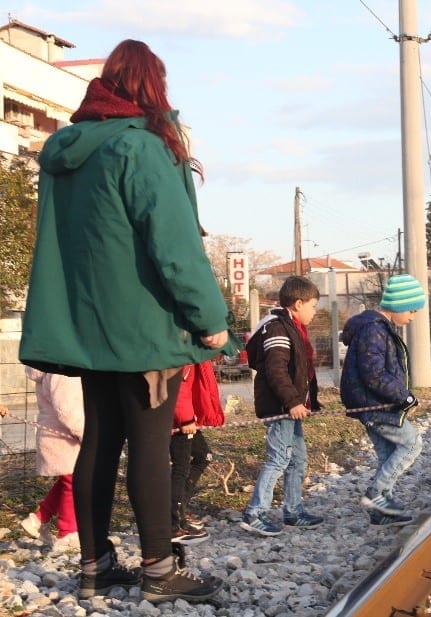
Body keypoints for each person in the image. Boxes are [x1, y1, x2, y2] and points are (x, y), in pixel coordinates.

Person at [18, 40, 230, 603]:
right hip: (145, 329)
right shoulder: (139, 148)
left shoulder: (66, 154)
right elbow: (175, 245)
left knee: (100, 443)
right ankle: (160, 570)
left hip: (88, 330)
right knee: (150, 445)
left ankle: (96, 566)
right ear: (151, 87)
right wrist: (210, 320)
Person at [240, 276, 325, 536]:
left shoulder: (293, 327)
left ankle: (293, 510)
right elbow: (276, 369)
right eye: (312, 305)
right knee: (279, 458)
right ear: (298, 303)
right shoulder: (278, 328)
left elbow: (299, 370)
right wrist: (293, 401)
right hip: (281, 408)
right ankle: (255, 513)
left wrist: (306, 400)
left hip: (290, 408)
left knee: (297, 459)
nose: (314, 311)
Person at [340, 273, 426, 527]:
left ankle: (381, 511)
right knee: (412, 444)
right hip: (376, 404)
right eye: (411, 310)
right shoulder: (374, 330)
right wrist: (403, 395)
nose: (412, 317)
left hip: (373, 403)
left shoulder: (378, 328)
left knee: (388, 453)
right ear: (398, 305)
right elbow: (374, 372)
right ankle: (376, 494)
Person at [20, 368, 84, 551]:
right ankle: (67, 533)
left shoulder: (50, 369)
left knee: (67, 480)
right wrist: (85, 431)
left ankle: (39, 518)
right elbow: (67, 409)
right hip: (64, 436)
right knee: (73, 483)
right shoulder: (63, 372)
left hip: (54, 434)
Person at [170, 361, 224, 545]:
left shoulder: (196, 354)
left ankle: (180, 507)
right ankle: (173, 524)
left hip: (188, 417)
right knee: (181, 468)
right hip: (178, 421)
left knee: (203, 456)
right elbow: (176, 385)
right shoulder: (184, 351)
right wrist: (184, 418)